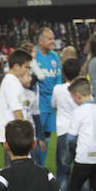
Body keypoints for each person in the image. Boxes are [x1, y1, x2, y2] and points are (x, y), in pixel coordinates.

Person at [0, 49, 32, 165]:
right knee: (15, 168)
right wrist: (26, 134)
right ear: (16, 66)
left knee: (13, 168)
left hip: (11, 133)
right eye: (26, 67)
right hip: (14, 135)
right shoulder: (12, 83)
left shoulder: (10, 81)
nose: (27, 70)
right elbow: (17, 112)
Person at [32, 27, 62, 166]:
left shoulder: (55, 57)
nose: (53, 41)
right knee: (37, 136)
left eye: (53, 38)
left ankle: (41, 166)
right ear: (40, 40)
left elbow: (58, 80)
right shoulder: (33, 55)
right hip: (37, 103)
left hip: (51, 104)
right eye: (49, 39)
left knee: (47, 136)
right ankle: (34, 166)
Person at [52, 57, 80, 191]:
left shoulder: (58, 89)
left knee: (63, 170)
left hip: (64, 132)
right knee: (81, 169)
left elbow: (53, 104)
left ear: (63, 73)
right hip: (81, 133)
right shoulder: (83, 88)